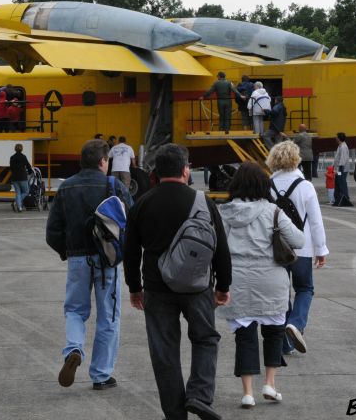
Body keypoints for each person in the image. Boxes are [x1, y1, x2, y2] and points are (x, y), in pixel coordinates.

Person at [124, 143, 231, 420]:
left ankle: (174, 413)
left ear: (156, 173)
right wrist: (223, 286)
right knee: (206, 338)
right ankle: (199, 395)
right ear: (186, 170)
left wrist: (135, 288)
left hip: (157, 289)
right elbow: (220, 247)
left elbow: (131, 251)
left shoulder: (142, 203)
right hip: (197, 287)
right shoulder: (202, 201)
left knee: (164, 351)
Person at [45, 139, 131, 391]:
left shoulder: (66, 188)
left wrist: (68, 251)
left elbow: (52, 231)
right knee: (108, 316)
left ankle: (74, 348)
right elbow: (132, 221)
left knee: (75, 310)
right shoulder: (113, 185)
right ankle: (101, 375)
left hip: (77, 260)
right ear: (103, 161)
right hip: (107, 261)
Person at [219, 162, 304, 408]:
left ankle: (247, 393)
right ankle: (270, 384)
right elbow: (298, 240)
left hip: (238, 281)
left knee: (244, 337)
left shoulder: (224, 212)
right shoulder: (273, 211)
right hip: (271, 280)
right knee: (273, 333)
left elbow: (217, 246)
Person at [268, 140, 328, 355]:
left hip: (276, 249)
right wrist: (321, 249)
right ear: (297, 159)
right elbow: (315, 221)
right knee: (304, 288)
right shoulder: (305, 186)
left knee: (282, 293)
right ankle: (296, 323)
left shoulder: (268, 185)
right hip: (302, 248)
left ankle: (286, 341)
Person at [9, 143, 32, 212]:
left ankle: (19, 207)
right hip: (22, 177)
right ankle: (16, 203)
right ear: (22, 149)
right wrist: (30, 172)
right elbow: (28, 166)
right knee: (26, 191)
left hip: (14, 178)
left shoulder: (12, 157)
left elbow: (11, 168)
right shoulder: (23, 157)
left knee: (18, 193)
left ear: (15, 149)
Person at [332, 133, 352, 207]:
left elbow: (343, 159)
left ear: (339, 138)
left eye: (336, 137)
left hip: (341, 169)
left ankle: (345, 198)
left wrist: (339, 170)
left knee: (342, 183)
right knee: (337, 183)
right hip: (338, 169)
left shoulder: (343, 147)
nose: (335, 139)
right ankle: (338, 199)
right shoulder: (340, 146)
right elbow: (337, 158)